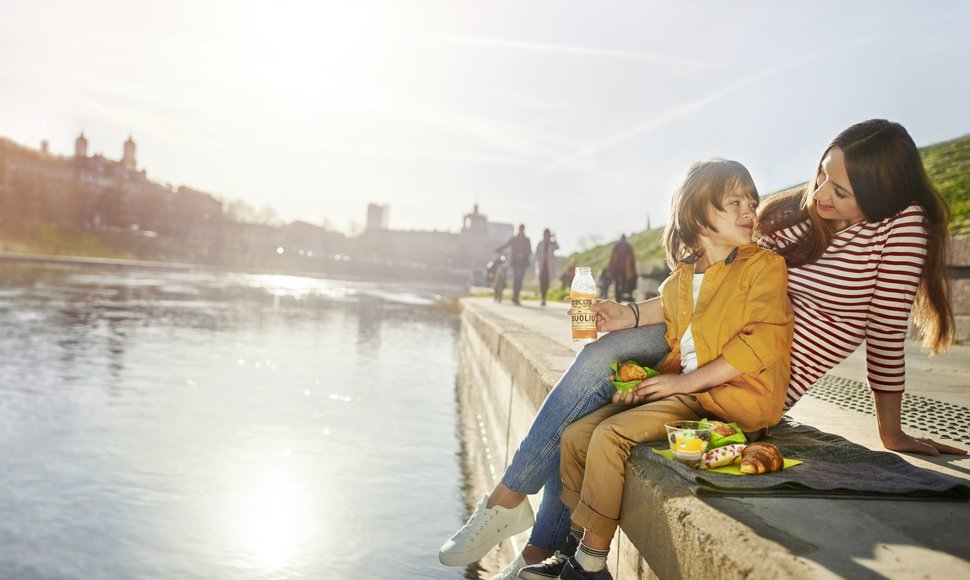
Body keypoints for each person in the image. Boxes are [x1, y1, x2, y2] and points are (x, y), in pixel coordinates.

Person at [438, 119, 965, 579]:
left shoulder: (902, 228)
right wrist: (633, 311)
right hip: (701, 340)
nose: (821, 193)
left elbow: (886, 328)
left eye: (841, 191)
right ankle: (529, 543)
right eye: (823, 172)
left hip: (745, 373)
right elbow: (705, 279)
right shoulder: (801, 215)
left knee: (593, 396)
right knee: (588, 391)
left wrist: (890, 430)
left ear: (881, 196)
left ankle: (518, 522)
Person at [556, 159, 793, 579]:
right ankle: (575, 543)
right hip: (688, 395)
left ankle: (589, 566)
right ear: (696, 216)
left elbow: (762, 341)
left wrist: (678, 384)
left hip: (733, 404)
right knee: (576, 435)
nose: (748, 211)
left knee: (610, 436)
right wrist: (618, 316)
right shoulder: (682, 278)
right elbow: (657, 310)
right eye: (733, 202)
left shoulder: (764, 267)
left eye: (751, 202)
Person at [497, 225, 533, 305]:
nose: (521, 230)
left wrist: (523, 254)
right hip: (515, 262)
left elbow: (530, 251)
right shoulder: (514, 239)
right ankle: (515, 296)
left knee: (520, 280)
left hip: (523, 263)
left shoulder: (527, 240)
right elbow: (506, 245)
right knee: (517, 278)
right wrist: (498, 249)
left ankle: (516, 295)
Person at [606, 234, 637, 302]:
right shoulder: (627, 247)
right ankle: (619, 297)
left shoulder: (618, 247)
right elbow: (612, 258)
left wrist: (610, 269)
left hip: (622, 269)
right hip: (621, 269)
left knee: (620, 284)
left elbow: (631, 259)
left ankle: (619, 297)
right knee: (619, 283)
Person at [535, 229, 559, 306]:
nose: (546, 236)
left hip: (549, 266)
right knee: (542, 282)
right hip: (542, 265)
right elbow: (536, 252)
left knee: (547, 283)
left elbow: (557, 247)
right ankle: (543, 298)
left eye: (548, 234)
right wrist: (541, 256)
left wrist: (554, 238)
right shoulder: (540, 243)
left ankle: (544, 297)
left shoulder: (552, 243)